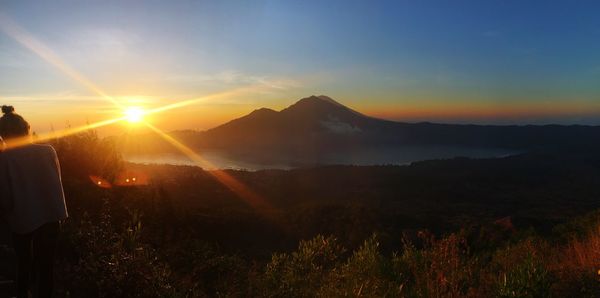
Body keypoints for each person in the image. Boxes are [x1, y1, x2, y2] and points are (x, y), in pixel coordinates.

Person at [0, 105, 68, 298]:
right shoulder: (48, 151)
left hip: (21, 220)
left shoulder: (4, 159)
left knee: (24, 265)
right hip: (51, 216)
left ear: (4, 134)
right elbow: (56, 183)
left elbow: (5, 197)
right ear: (25, 129)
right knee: (46, 269)